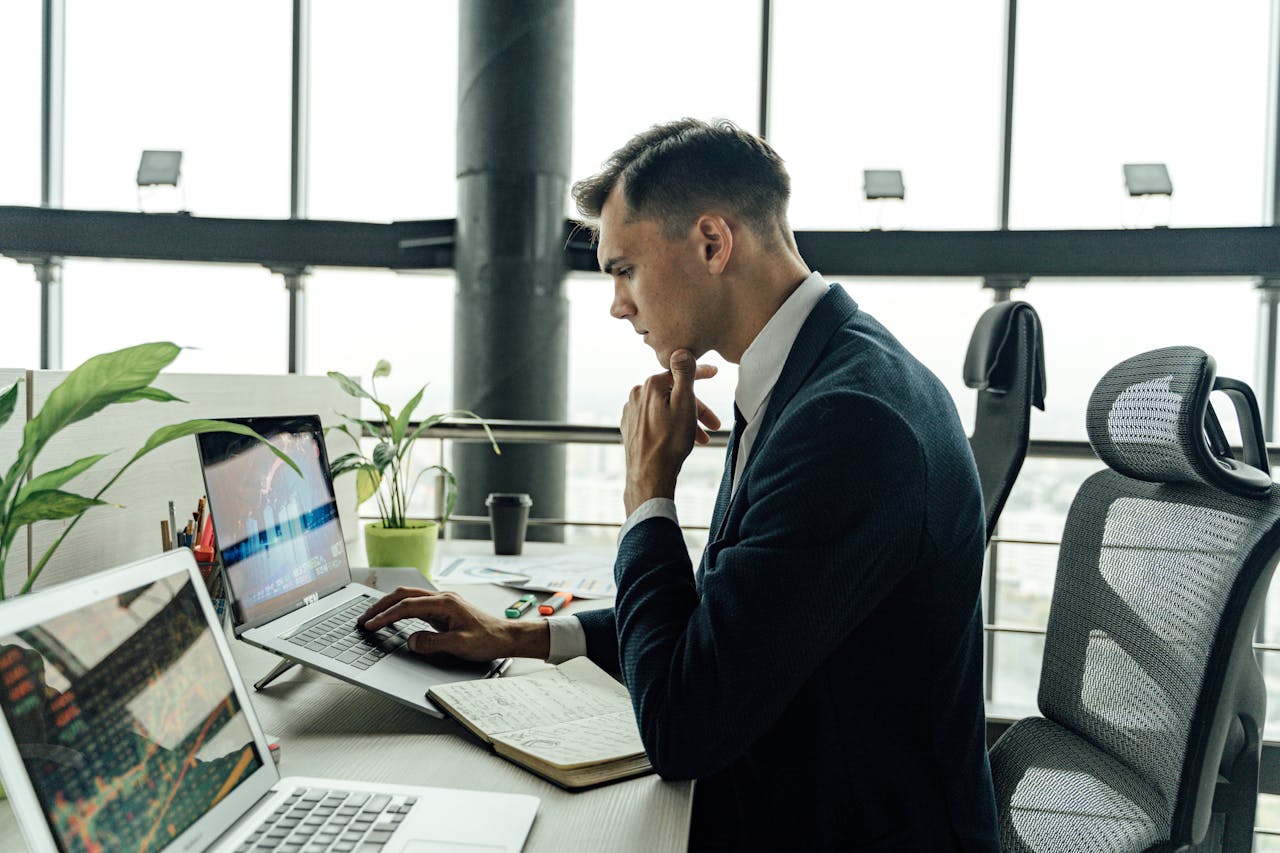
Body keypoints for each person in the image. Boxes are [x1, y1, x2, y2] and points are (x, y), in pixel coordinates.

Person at [359, 118, 999, 851]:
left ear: (711, 243)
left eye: (623, 268)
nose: (618, 304)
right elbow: (725, 628)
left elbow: (682, 727)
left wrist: (648, 496)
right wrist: (521, 635)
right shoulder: (811, 376)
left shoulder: (847, 424)